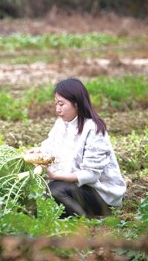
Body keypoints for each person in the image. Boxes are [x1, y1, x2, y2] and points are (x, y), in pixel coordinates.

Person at [26, 78, 126, 218]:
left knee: (54, 192)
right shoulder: (61, 123)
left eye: (61, 104)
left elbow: (91, 174)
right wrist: (38, 151)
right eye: (56, 104)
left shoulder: (94, 129)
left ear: (77, 104)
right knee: (39, 195)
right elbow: (51, 145)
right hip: (74, 187)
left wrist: (55, 176)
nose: (57, 109)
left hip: (99, 193)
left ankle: (86, 220)